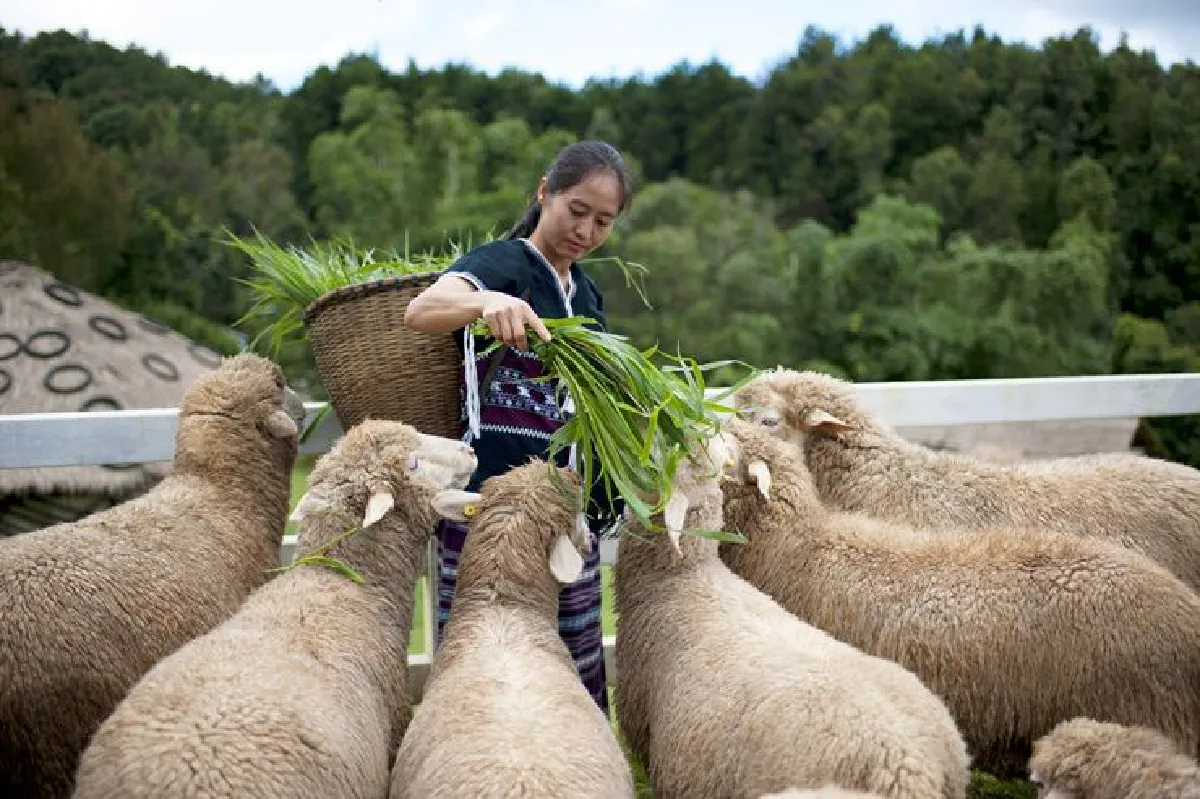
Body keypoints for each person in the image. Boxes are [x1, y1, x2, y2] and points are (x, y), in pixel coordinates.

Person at [403, 139, 635, 715]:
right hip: (490, 507)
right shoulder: (500, 264)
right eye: (576, 210)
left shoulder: (587, 294)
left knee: (575, 656)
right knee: (486, 656)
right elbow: (421, 311)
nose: (585, 231)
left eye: (603, 222)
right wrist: (486, 305)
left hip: (563, 507)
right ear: (544, 193)